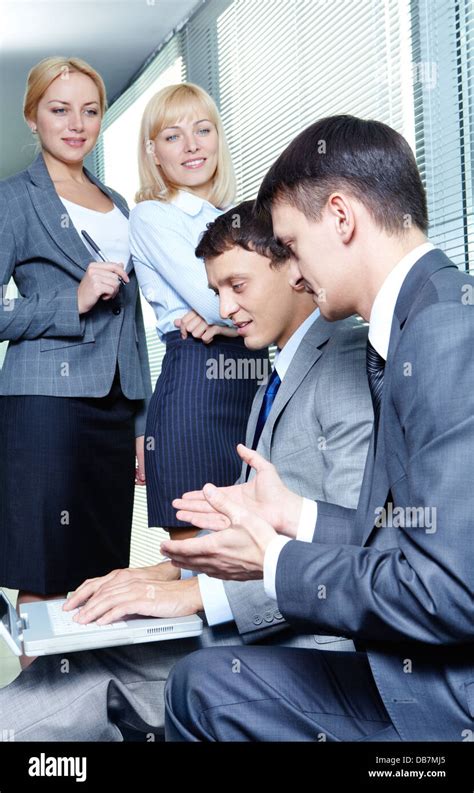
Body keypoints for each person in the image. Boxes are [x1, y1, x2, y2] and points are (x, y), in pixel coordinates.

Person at [0, 199, 373, 740]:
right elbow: (260, 535)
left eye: (237, 287)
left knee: (63, 692)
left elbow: (352, 553)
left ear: (294, 266)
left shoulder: (342, 363)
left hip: (302, 649)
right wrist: (164, 573)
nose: (222, 306)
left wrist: (194, 596)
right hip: (252, 622)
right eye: (216, 289)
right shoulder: (277, 373)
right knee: (72, 667)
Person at [162, 115, 474, 742]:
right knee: (202, 682)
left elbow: (448, 591)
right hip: (418, 672)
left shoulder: (442, 332)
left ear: (341, 217)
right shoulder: (421, 317)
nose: (296, 271)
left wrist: (274, 563)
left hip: (447, 704)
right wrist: (297, 516)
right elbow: (413, 538)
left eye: (294, 244)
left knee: (204, 686)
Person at [0, 57, 152, 667]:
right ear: (32, 116)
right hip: (45, 407)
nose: (76, 123)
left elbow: (134, 325)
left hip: (113, 409)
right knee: (46, 572)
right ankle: (36, 724)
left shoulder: (118, 203)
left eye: (90, 110)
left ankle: (85, 717)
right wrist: (73, 300)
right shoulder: (13, 199)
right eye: (60, 109)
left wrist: (141, 424)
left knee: (100, 577)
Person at [129, 83, 269, 542]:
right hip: (196, 387)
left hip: (258, 382)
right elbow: (220, 302)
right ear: (154, 153)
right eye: (172, 136)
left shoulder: (244, 216)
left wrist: (225, 324)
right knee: (201, 564)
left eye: (202, 130)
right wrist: (231, 319)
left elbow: (285, 302)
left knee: (257, 553)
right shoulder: (153, 216)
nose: (192, 146)